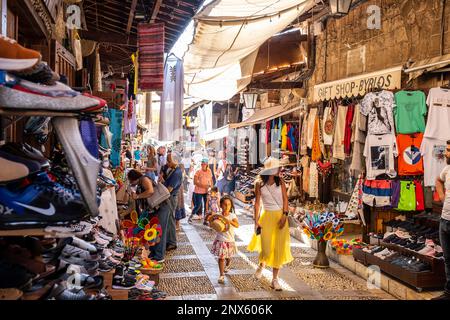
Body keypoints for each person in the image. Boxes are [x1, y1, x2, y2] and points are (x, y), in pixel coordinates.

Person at [248, 157, 293, 291]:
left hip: (280, 216)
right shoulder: (259, 184)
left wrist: (285, 215)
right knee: (266, 246)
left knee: (278, 248)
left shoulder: (282, 182)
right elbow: (257, 204)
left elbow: (286, 199)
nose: (280, 169)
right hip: (266, 216)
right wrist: (256, 221)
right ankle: (262, 264)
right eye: (277, 168)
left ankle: (275, 279)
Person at [433, 140, 450, 300]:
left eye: (449, 151)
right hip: (445, 220)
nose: (446, 153)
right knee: (448, 260)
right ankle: (448, 292)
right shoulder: (447, 169)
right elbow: (438, 180)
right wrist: (443, 196)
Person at [158, 152, 183, 252]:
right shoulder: (173, 170)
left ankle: (172, 242)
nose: (167, 163)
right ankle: (170, 241)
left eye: (169, 161)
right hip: (169, 196)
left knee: (170, 220)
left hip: (171, 198)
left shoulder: (177, 173)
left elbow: (169, 189)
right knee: (169, 219)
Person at [211, 195, 239, 284]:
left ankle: (228, 264)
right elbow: (212, 223)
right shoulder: (218, 215)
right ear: (221, 205)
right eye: (225, 205)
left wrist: (228, 220)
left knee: (228, 257)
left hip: (230, 240)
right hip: (220, 239)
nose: (227, 207)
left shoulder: (232, 215)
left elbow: (237, 225)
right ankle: (221, 275)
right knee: (221, 258)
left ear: (231, 206)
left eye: (229, 205)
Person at [189, 158, 213, 223]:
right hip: (198, 191)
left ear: (207, 164)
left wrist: (212, 189)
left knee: (207, 206)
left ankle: (205, 220)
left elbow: (211, 180)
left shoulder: (209, 171)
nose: (203, 165)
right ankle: (191, 216)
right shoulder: (198, 171)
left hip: (206, 191)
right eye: (202, 164)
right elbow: (195, 182)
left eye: (204, 164)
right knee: (198, 205)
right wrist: (204, 186)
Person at [175, 164, 187, 231]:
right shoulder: (181, 174)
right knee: (178, 206)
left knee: (178, 206)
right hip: (179, 191)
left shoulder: (178, 175)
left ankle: (177, 224)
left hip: (178, 192)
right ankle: (177, 224)